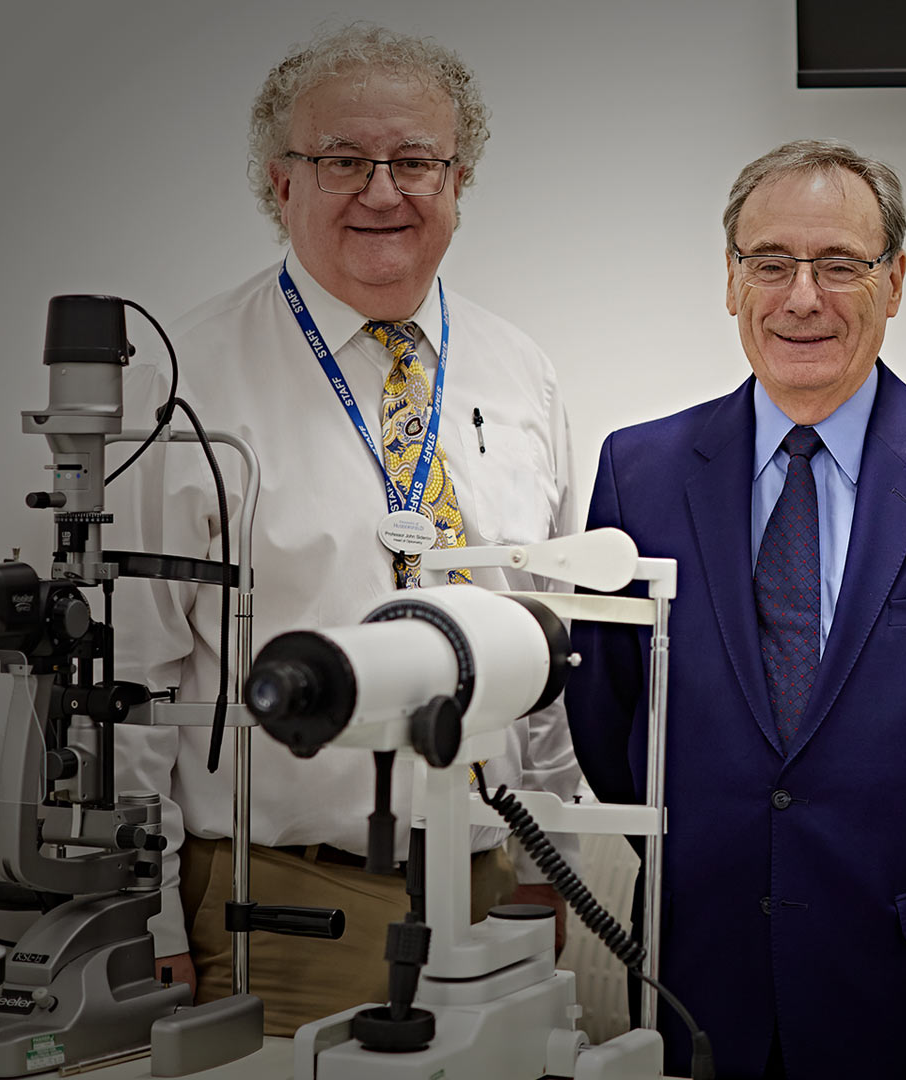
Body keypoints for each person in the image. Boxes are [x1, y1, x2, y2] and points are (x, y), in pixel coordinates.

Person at [563, 139, 906, 1079]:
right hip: (702, 978)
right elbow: (607, 718)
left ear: (894, 282)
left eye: (840, 265)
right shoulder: (636, 474)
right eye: (771, 264)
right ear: (732, 284)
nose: (802, 297)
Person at [108, 24, 580, 1034]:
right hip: (287, 906)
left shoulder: (519, 371)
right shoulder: (183, 382)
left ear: (459, 181)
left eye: (415, 161)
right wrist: (143, 917)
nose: (383, 191)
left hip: (493, 884)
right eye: (342, 161)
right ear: (280, 183)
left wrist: (554, 862)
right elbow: (132, 681)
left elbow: (547, 641)